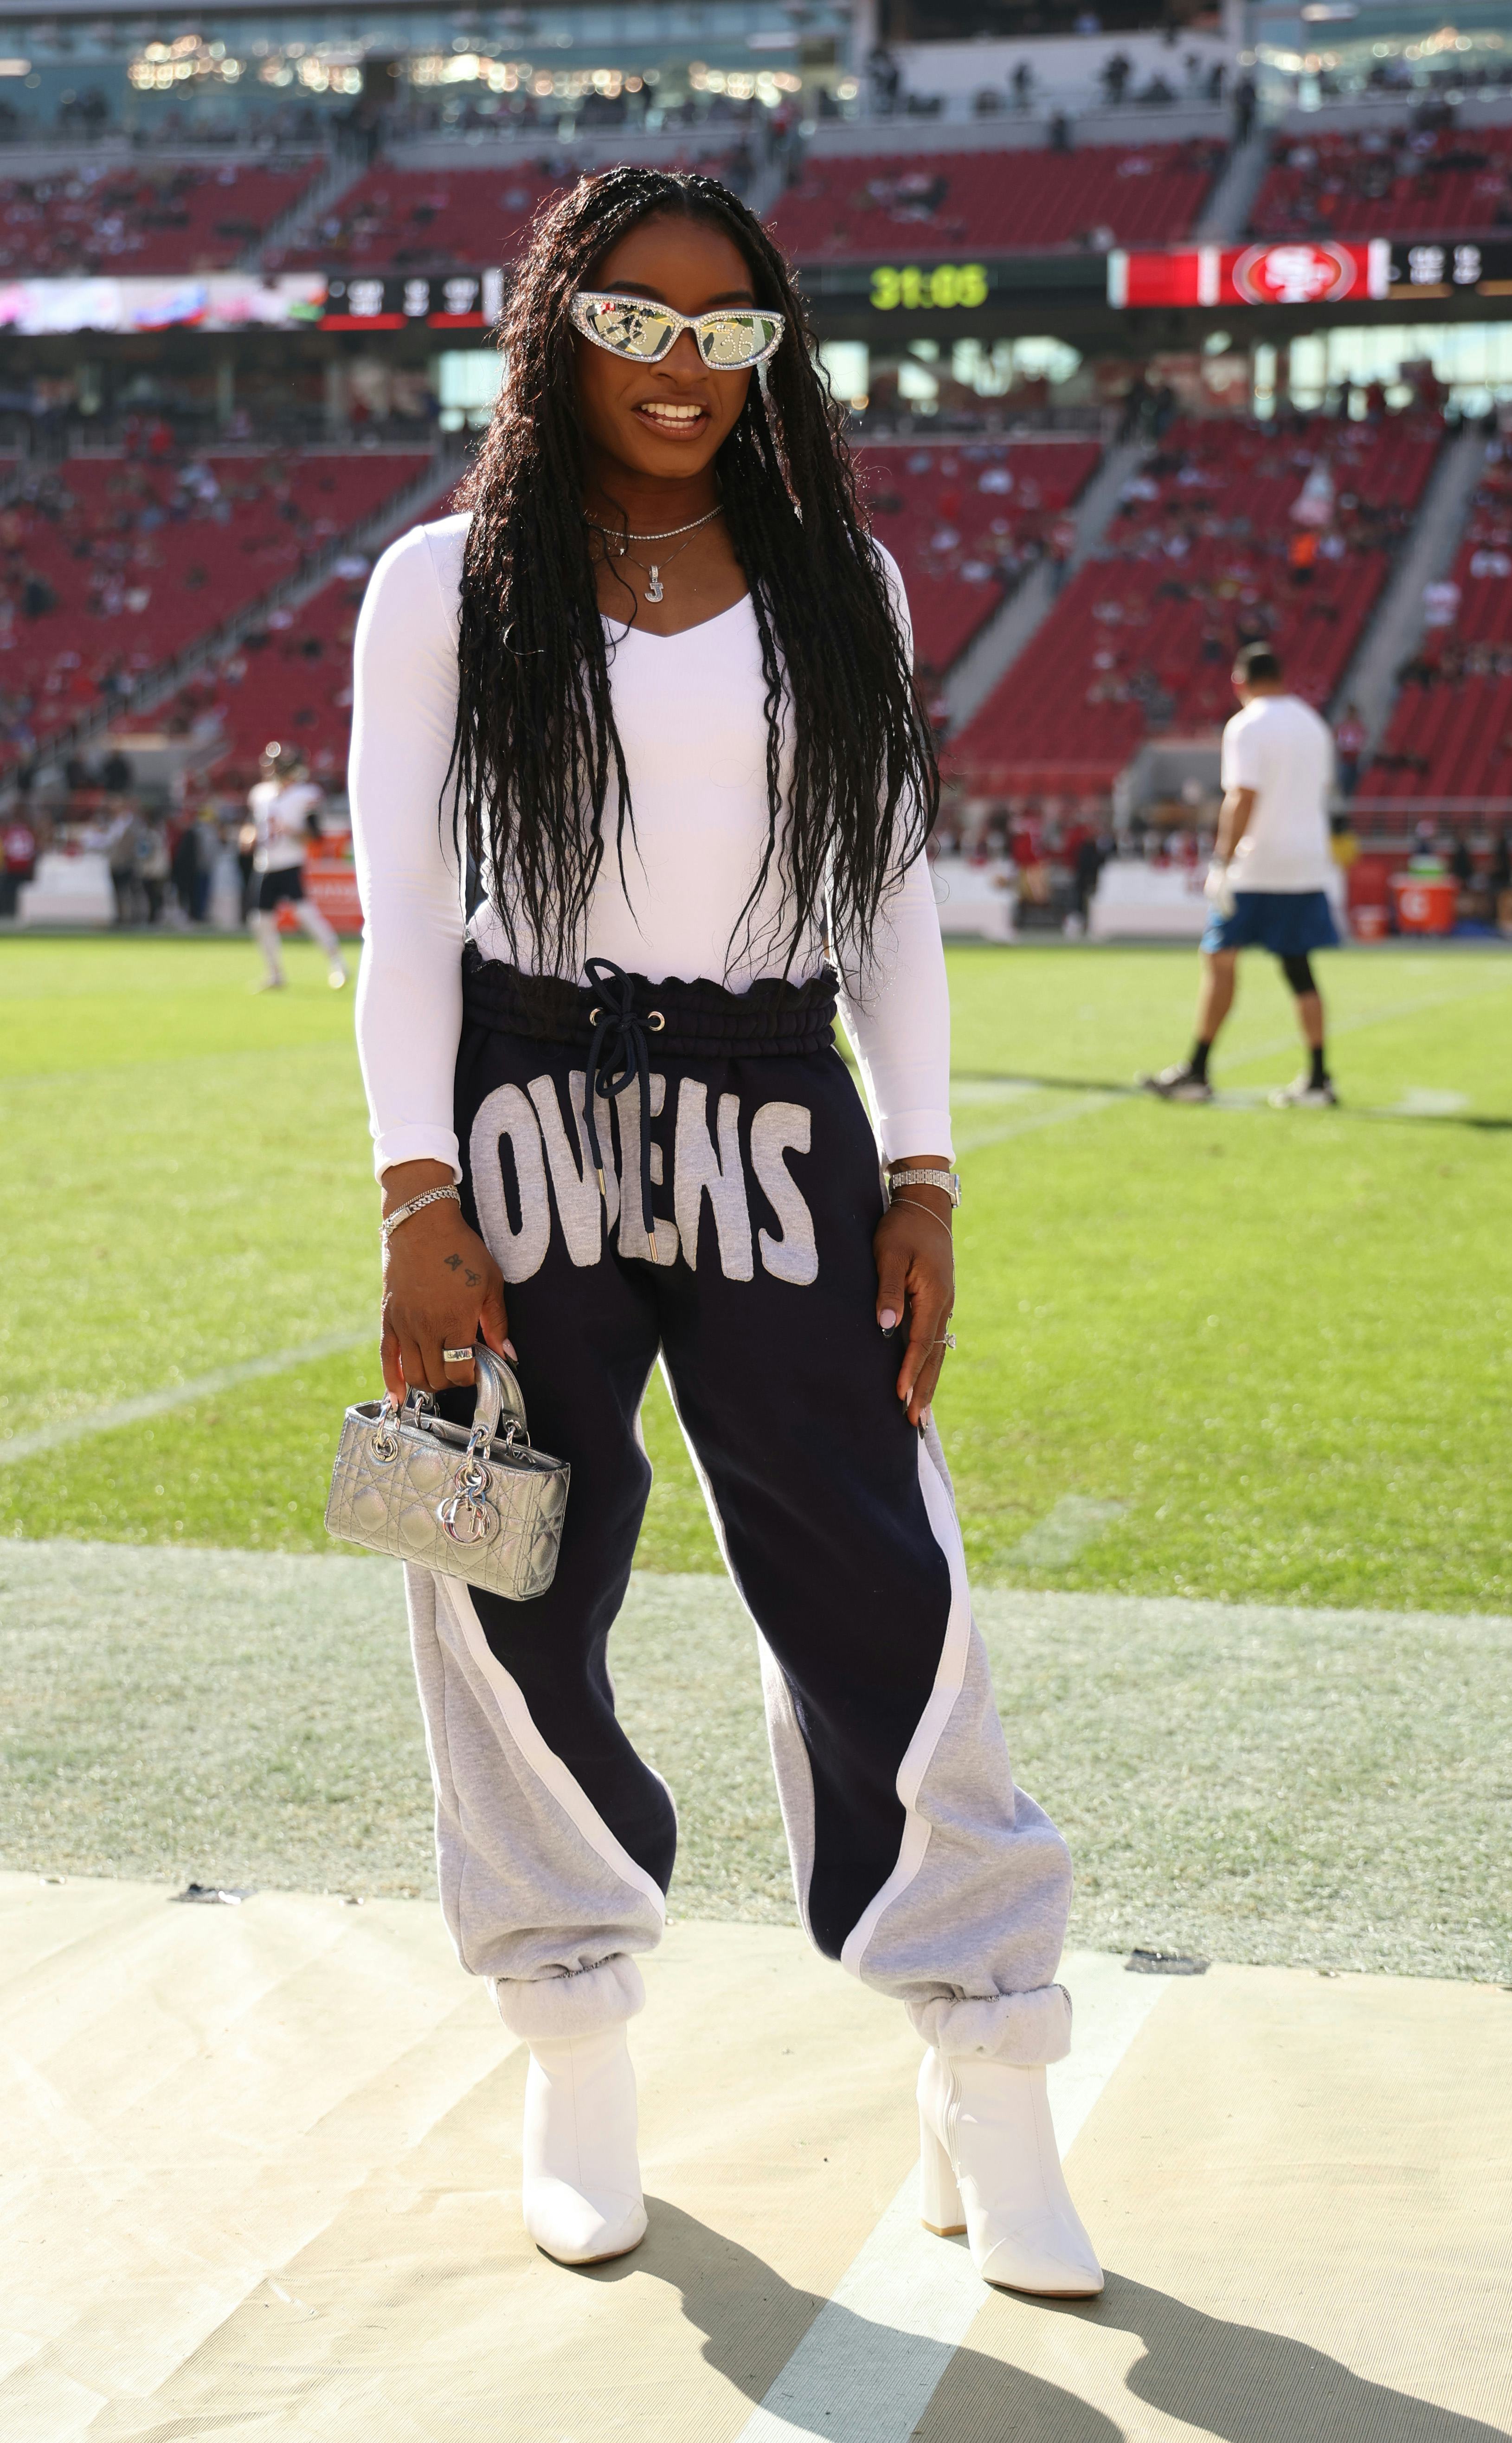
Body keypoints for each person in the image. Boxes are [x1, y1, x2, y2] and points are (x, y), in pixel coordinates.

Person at [349, 166, 1096, 2297]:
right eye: (636, 320)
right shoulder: (439, 579)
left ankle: (982, 2051)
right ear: (558, 328)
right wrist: (414, 1189)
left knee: (879, 1568)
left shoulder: (842, 575)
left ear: (770, 351)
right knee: (497, 1556)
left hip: (779, 1095)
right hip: (522, 1099)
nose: (682, 366)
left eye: (727, 327)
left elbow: (889, 896)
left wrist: (924, 1167)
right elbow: (404, 916)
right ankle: (572, 2042)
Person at [1138, 643, 1339, 1109]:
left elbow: (1242, 798)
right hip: (1306, 861)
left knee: (1219, 958)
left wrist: (1222, 862)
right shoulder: (1313, 724)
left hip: (1258, 864)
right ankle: (1318, 1078)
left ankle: (1197, 1071)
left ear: (1239, 682)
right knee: (1299, 967)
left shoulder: (1247, 725)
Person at [246, 742, 346, 991]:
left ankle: (338, 963)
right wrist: (247, 835)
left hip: (290, 863)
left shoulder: (305, 795)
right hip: (265, 864)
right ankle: (275, 973)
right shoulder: (261, 794)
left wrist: (293, 832)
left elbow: (315, 836)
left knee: (305, 915)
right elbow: (253, 824)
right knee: (260, 921)